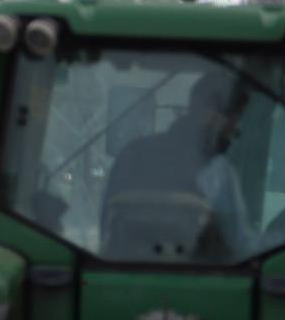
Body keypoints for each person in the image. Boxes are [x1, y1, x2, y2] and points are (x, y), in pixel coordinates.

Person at [102, 69, 257, 259]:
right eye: (234, 122)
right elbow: (242, 248)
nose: (235, 132)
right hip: (203, 284)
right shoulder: (220, 174)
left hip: (120, 277)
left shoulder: (131, 155)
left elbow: (107, 230)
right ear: (213, 116)